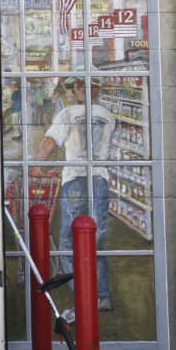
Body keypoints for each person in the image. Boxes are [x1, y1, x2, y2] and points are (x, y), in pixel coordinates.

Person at [31, 77, 117, 312]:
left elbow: (50, 143)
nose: (75, 90)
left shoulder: (68, 114)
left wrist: (37, 166)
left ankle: (83, 293)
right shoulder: (108, 116)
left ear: (83, 88)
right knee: (96, 238)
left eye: (77, 86)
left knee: (69, 239)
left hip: (75, 181)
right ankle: (102, 295)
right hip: (99, 180)